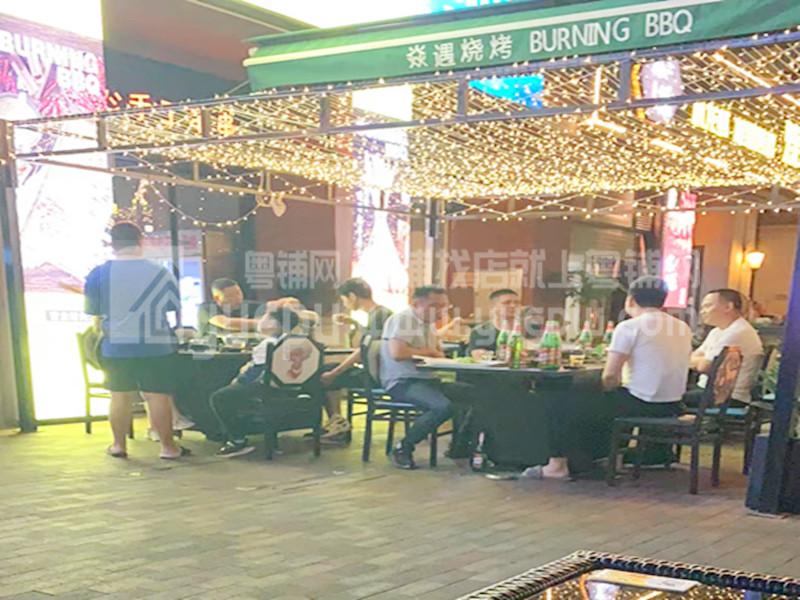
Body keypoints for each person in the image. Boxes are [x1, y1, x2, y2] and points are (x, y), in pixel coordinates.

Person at [84, 222, 187, 460]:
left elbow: (94, 313)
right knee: (157, 395)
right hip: (156, 345)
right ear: (141, 241)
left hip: (116, 346)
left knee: (119, 396)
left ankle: (118, 445)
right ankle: (168, 448)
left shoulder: (98, 273)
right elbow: (172, 306)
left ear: (112, 244)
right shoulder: (161, 272)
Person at [380, 286, 476, 469]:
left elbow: (436, 352)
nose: (440, 311)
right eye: (434, 306)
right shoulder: (403, 319)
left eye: (444, 306)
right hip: (403, 381)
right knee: (443, 407)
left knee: (476, 394)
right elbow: (397, 353)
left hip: (428, 379)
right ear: (416, 304)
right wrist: (430, 352)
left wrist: (438, 354)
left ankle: (460, 446)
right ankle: (403, 448)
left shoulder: (428, 324)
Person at [209, 306, 302, 458]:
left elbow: (256, 372)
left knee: (219, 397)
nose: (261, 320)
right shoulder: (293, 341)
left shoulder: (268, 344)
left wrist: (237, 381)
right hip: (287, 390)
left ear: (275, 324)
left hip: (266, 389)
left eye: (265, 317)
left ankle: (237, 440)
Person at [320, 278, 393, 442]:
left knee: (327, 374)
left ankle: (338, 425)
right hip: (377, 369)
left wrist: (335, 372)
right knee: (329, 370)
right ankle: (337, 422)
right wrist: (354, 323)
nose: (345, 304)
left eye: (344, 299)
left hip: (377, 374)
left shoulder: (379, 315)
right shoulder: (379, 313)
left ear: (352, 296)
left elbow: (365, 349)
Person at [690, 289, 763, 405]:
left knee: (670, 399)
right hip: (708, 390)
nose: (702, 311)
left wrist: (697, 360)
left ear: (728, 307)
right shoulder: (717, 331)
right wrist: (698, 360)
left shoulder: (738, 331)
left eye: (708, 306)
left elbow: (705, 366)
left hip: (726, 397)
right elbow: (693, 357)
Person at [196, 278, 265, 337]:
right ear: (217, 298)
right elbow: (226, 323)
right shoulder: (207, 307)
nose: (238, 298)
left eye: (238, 293)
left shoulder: (250, 306)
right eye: (231, 296)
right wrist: (262, 322)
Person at [468, 288, 521, 356]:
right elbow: (478, 355)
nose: (513, 306)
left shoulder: (527, 330)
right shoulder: (481, 332)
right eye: (507, 303)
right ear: (493, 306)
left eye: (517, 302)